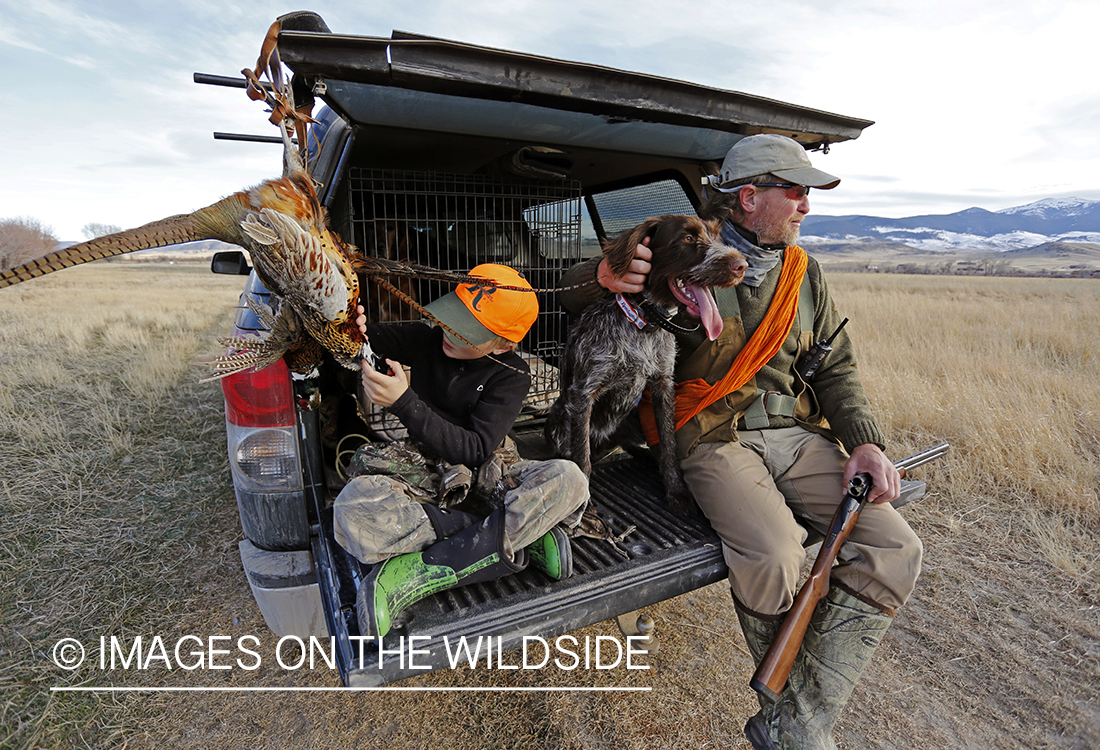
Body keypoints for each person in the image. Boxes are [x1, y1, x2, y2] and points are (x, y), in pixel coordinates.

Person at [557, 134, 922, 750]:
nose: (807, 205)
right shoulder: (685, 249)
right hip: (710, 435)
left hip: (793, 433)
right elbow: (571, 293)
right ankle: (796, 724)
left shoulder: (807, 276)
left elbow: (835, 367)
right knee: (776, 555)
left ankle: (794, 720)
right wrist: (601, 274)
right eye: (797, 192)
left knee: (896, 548)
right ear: (750, 198)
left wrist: (865, 442)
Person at [333, 263, 588, 640]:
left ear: (504, 344)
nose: (450, 332)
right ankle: (517, 536)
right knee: (352, 510)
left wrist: (404, 402)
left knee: (570, 479)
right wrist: (348, 321)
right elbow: (364, 338)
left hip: (486, 468)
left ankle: (417, 574)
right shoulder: (426, 339)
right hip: (423, 467)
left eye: (468, 331)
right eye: (453, 317)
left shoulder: (511, 374)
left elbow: (476, 449)